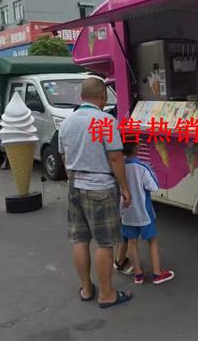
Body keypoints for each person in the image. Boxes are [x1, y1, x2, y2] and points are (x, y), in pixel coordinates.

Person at [58, 77, 133, 308]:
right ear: (103, 96)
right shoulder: (106, 121)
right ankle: (107, 294)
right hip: (100, 187)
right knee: (104, 242)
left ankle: (86, 288)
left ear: (81, 96)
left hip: (75, 186)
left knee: (80, 240)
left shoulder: (67, 123)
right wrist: (125, 188)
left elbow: (64, 157)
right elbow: (115, 157)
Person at [121, 140, 174, 285]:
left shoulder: (118, 167)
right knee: (152, 240)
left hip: (126, 212)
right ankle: (157, 274)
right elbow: (154, 186)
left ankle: (138, 274)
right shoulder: (143, 167)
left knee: (132, 241)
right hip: (144, 212)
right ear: (137, 148)